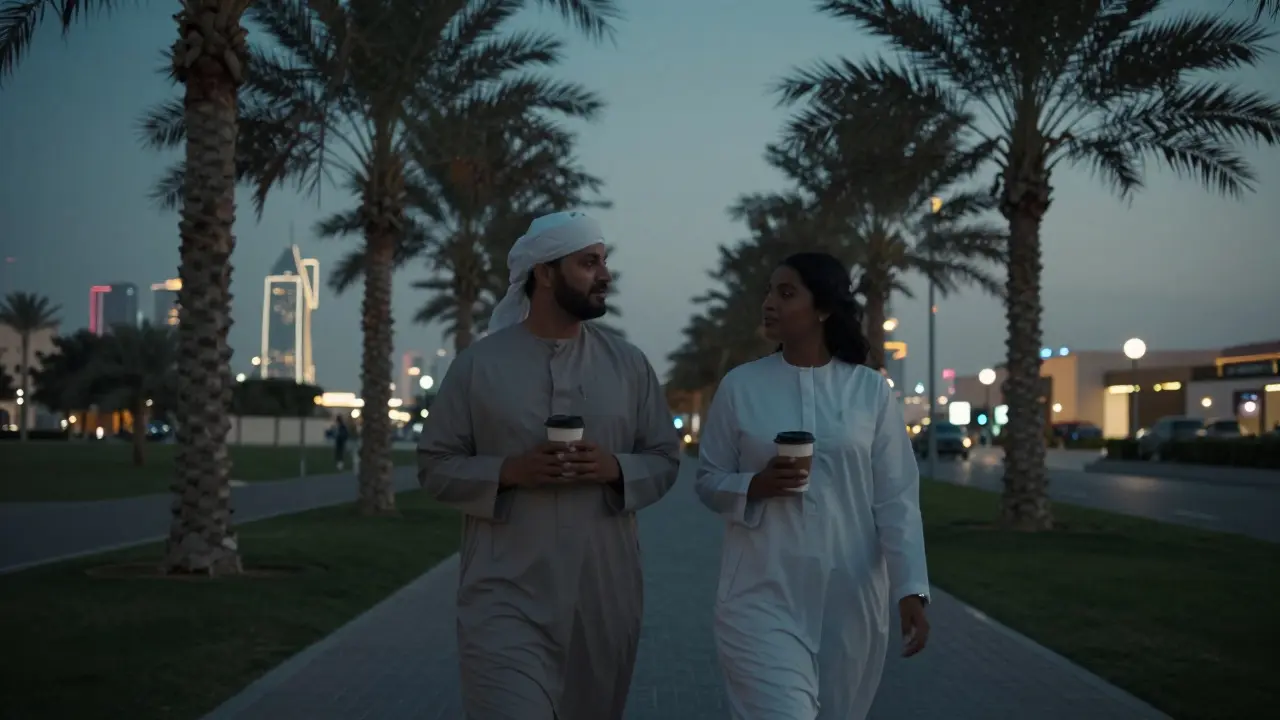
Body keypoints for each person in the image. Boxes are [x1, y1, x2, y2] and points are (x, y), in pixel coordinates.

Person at [417, 210, 682, 720]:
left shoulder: (628, 365)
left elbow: (664, 458)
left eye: (603, 261)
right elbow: (435, 464)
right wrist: (510, 472)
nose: (604, 275)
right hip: (504, 597)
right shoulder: (479, 365)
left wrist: (614, 467)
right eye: (588, 263)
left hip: (602, 599)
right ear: (544, 272)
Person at [694, 251, 931, 719]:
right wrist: (756, 485)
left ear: (822, 308)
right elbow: (707, 481)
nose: (769, 303)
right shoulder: (741, 387)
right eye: (769, 292)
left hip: (850, 600)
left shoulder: (870, 392)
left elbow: (896, 499)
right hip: (758, 595)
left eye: (786, 293)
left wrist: (911, 588)